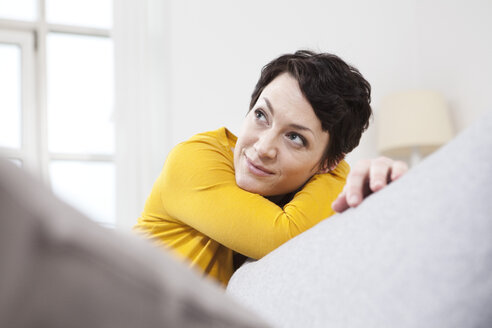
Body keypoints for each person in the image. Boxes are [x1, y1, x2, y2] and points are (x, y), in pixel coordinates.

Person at [134, 50, 408, 286]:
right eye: (261, 115)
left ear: (326, 163)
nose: (263, 147)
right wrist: (339, 171)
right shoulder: (194, 159)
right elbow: (285, 238)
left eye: (295, 137)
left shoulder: (305, 190)